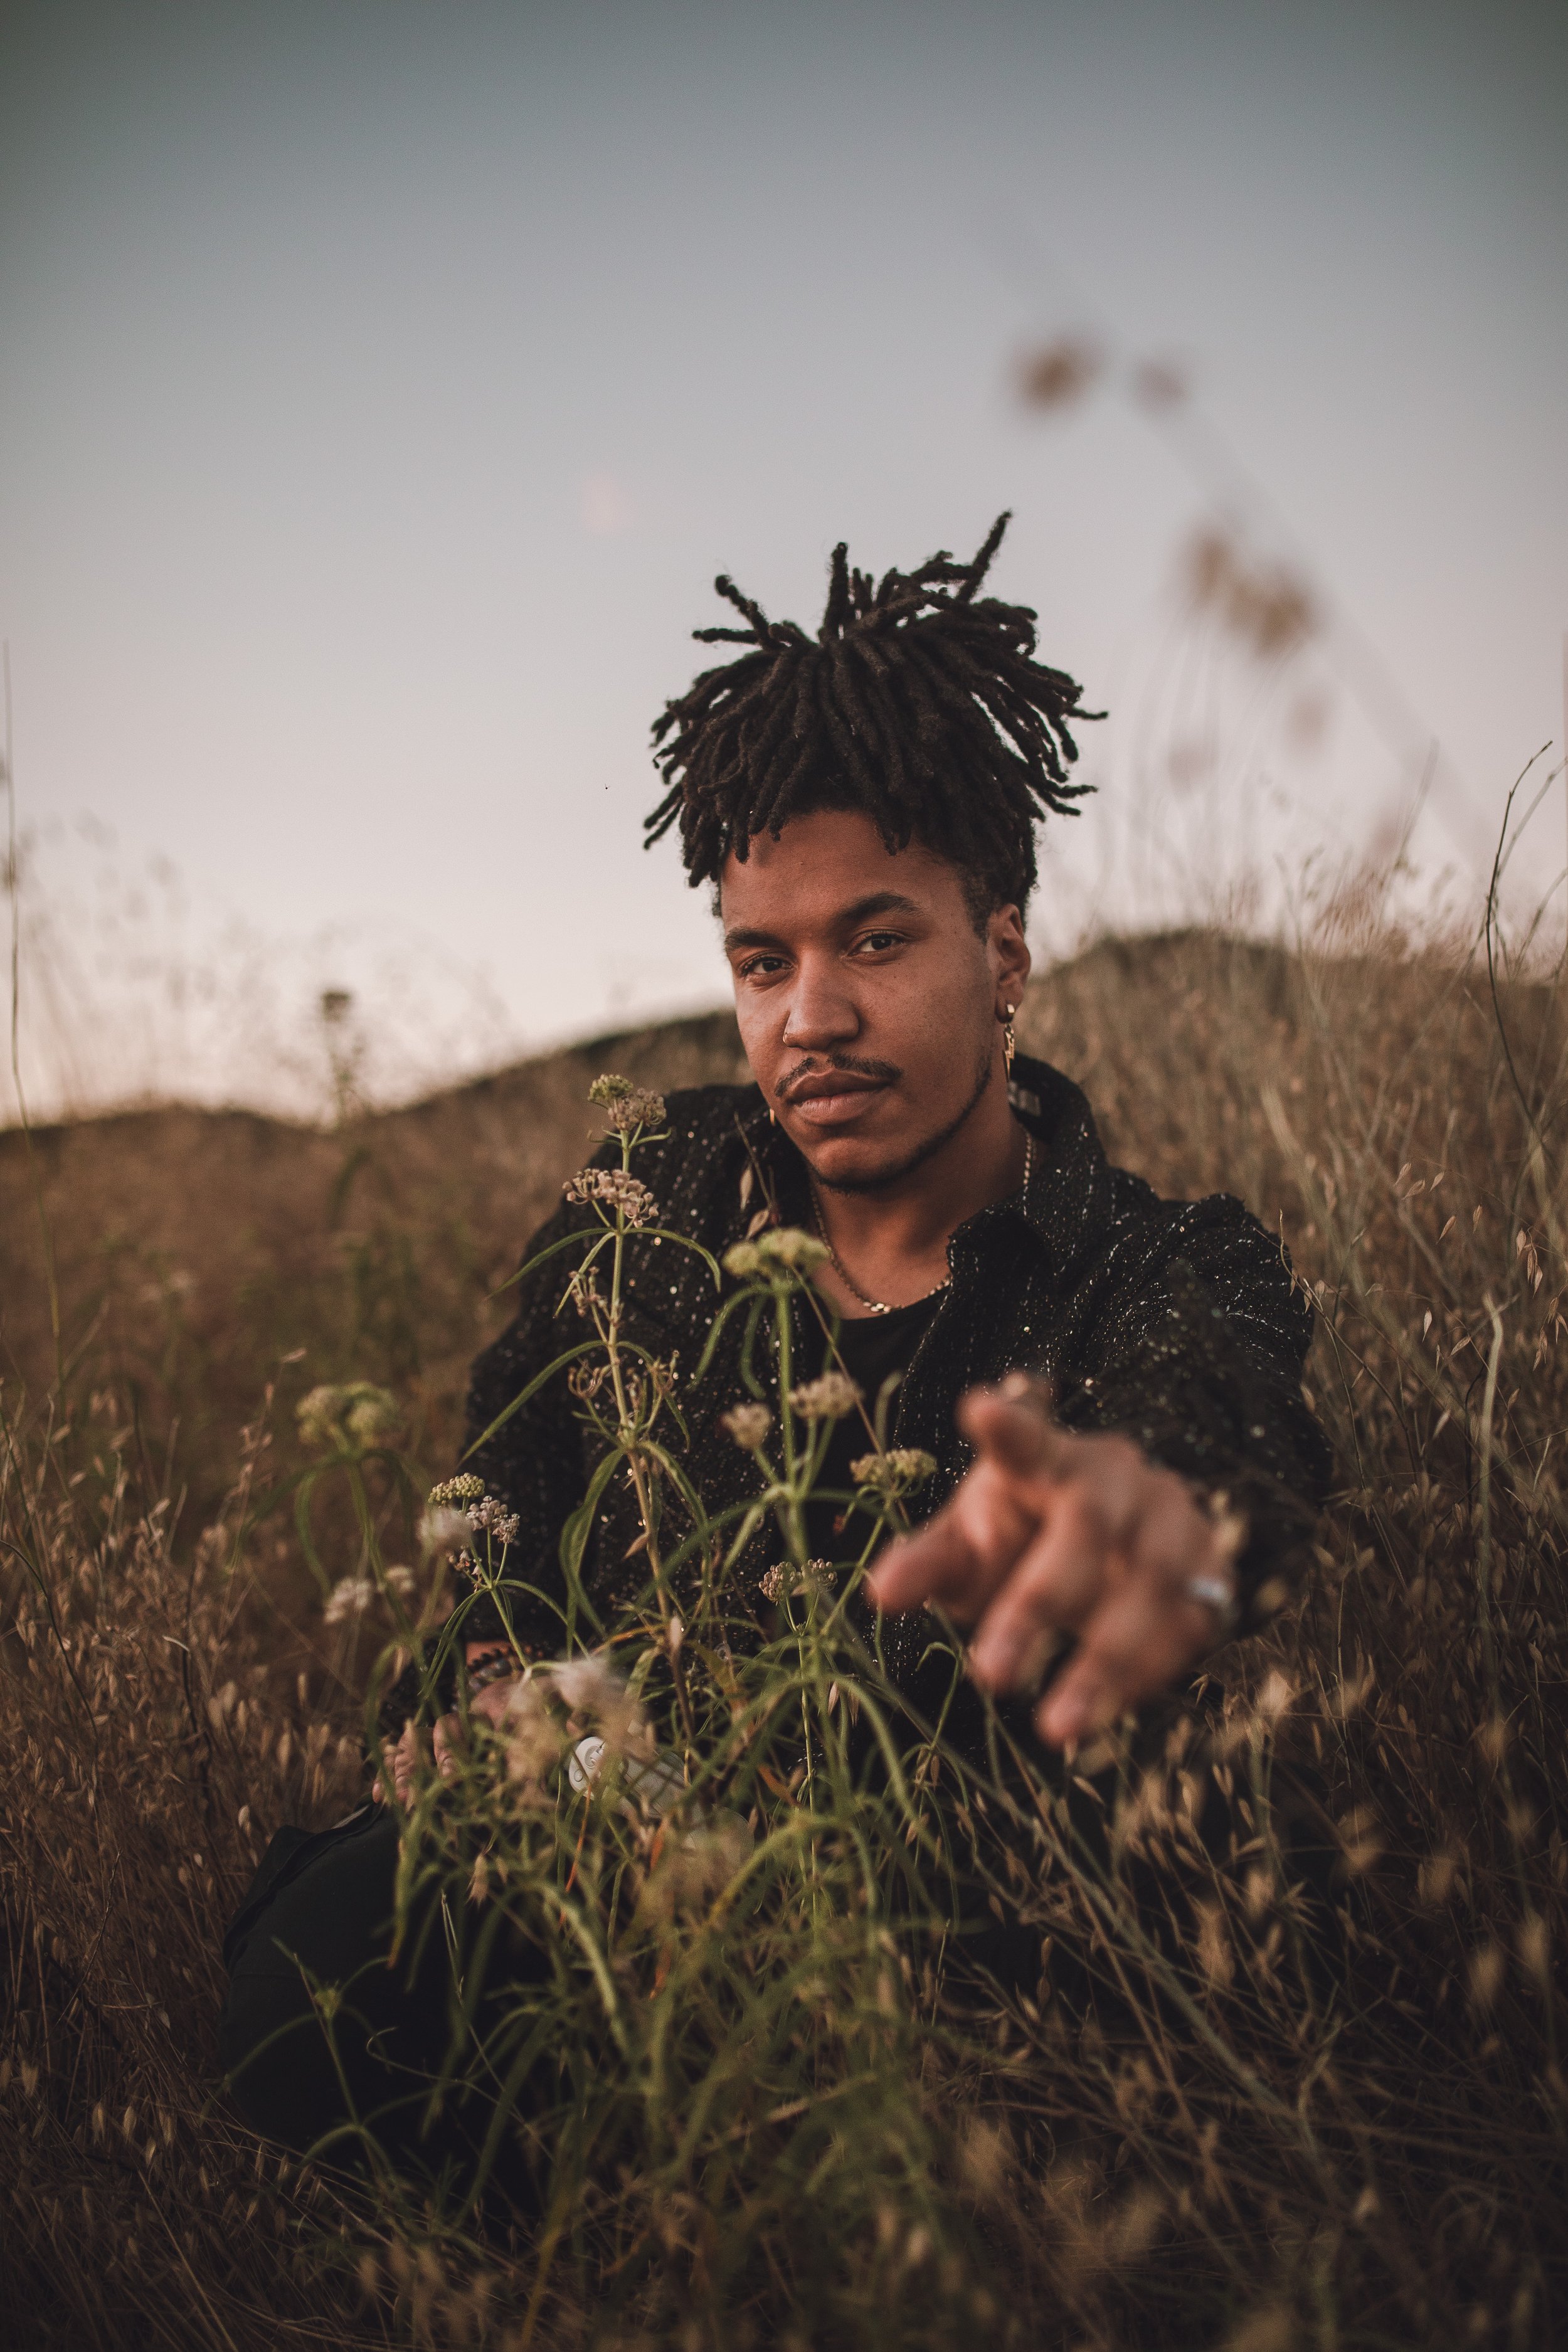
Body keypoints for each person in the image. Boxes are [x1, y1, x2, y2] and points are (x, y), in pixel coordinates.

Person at [221, 514, 1330, 2156]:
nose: (809, 1016)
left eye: (874, 940)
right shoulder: (648, 1195)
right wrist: (504, 1702)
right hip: (604, 1878)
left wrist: (1155, 1504)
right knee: (309, 1977)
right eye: (763, 960)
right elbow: (510, 1495)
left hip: (937, 1944)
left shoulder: (1150, 1260)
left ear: (1002, 952)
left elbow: (1220, 1409)